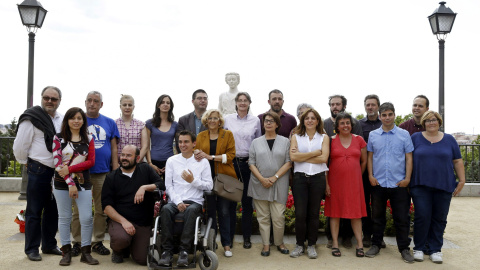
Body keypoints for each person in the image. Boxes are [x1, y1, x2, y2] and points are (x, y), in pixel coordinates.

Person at [13, 86, 64, 261]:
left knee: (53, 211)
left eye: (54, 99)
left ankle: (49, 245)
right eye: (46, 97)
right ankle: (32, 249)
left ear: (59, 101)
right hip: (38, 169)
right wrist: (26, 163)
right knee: (34, 211)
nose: (50, 101)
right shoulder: (31, 118)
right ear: (42, 98)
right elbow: (20, 147)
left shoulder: (61, 119)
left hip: (57, 171)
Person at [409, 111, 465, 264]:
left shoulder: (449, 139)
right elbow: (408, 160)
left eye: (434, 120)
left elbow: (457, 161)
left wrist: (462, 180)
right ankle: (419, 248)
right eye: (427, 120)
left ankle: (435, 249)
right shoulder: (415, 138)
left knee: (439, 218)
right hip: (420, 185)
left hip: (444, 184)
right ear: (423, 123)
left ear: (439, 122)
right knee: (422, 217)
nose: (431, 123)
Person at [71, 91, 120, 257]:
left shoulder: (109, 122)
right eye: (90, 101)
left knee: (101, 209)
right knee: (78, 210)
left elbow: (114, 147)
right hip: (80, 172)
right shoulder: (78, 121)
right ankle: (77, 243)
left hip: (103, 172)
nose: (92, 103)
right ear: (85, 102)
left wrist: (115, 170)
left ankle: (97, 241)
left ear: (101, 104)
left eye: (96, 101)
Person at [365, 102, 415, 263]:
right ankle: (376, 244)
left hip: (398, 183)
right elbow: (370, 156)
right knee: (377, 217)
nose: (387, 117)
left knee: (402, 218)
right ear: (380, 116)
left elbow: (409, 157)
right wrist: (371, 176)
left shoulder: (404, 134)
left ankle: (404, 248)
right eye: (384, 115)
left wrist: (407, 179)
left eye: (390, 114)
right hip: (378, 183)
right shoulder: (373, 135)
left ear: (394, 115)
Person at [158, 130, 213, 267]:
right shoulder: (172, 160)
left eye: (186, 141)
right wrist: (178, 202)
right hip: (176, 201)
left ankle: (184, 251)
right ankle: (167, 252)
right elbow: (168, 186)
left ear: (194, 143)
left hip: (195, 201)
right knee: (165, 210)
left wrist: (193, 180)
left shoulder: (203, 162)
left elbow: (209, 186)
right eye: (180, 142)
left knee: (191, 210)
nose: (182, 145)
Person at [52, 107, 98, 266]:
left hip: (84, 183)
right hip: (61, 183)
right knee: (64, 218)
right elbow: (58, 164)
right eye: (73, 118)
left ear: (83, 121)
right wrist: (71, 183)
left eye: (79, 118)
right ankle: (66, 252)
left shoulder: (89, 138)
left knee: (86, 218)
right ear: (67, 120)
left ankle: (86, 252)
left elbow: (91, 162)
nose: (76, 121)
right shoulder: (58, 138)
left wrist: (70, 169)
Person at [102, 145, 163, 265]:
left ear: (137, 158)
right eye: (123, 155)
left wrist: (144, 187)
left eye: (129, 155)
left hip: (142, 222)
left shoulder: (145, 169)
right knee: (121, 239)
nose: (124, 158)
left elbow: (161, 184)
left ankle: (132, 245)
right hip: (120, 222)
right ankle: (118, 250)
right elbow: (106, 207)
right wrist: (123, 221)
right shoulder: (111, 177)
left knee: (142, 259)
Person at [194, 109, 238, 257]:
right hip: (206, 179)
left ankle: (226, 244)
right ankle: (211, 243)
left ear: (220, 121)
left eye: (215, 118)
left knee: (225, 212)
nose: (212, 121)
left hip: (224, 178)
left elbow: (231, 156)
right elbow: (197, 154)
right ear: (206, 121)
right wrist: (197, 154)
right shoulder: (201, 136)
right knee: (211, 212)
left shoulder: (228, 134)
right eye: (210, 118)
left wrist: (210, 157)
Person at [248, 111, 291, 257]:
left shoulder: (285, 141)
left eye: (272, 121)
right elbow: (251, 163)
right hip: (259, 183)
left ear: (277, 124)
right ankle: (266, 245)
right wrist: (261, 179)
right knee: (263, 217)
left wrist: (275, 177)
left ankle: (279, 243)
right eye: (266, 120)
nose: (268, 123)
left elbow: (288, 162)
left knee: (278, 216)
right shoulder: (255, 142)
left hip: (279, 183)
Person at [325, 112, 367, 258]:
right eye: (342, 123)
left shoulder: (359, 140)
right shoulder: (330, 140)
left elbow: (364, 161)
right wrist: (326, 184)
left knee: (356, 214)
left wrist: (356, 175)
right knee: (335, 213)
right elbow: (325, 164)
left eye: (347, 123)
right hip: (334, 182)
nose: (345, 126)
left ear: (351, 124)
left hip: (355, 183)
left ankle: (359, 244)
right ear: (336, 126)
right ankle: (335, 243)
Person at [289, 108, 329, 259]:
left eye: (313, 118)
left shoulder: (324, 138)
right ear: (303, 121)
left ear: (318, 121)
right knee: (300, 214)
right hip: (300, 179)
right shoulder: (296, 137)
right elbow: (293, 157)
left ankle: (311, 245)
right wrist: (314, 153)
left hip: (317, 178)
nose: (310, 120)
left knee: (313, 214)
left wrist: (301, 156)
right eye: (307, 118)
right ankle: (299, 245)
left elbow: (323, 159)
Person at [224, 92, 262, 249]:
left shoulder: (255, 120)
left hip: (247, 164)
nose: (242, 103)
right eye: (240, 100)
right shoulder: (228, 119)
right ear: (236, 103)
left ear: (249, 103)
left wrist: (252, 160)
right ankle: (230, 237)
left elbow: (258, 142)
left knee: (247, 204)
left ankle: (247, 237)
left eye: (245, 100)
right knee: (232, 204)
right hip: (231, 164)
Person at [358, 94, 383, 248]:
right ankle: (367, 235)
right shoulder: (358, 125)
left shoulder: (385, 123)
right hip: (364, 170)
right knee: (365, 205)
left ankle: (378, 237)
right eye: (368, 105)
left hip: (381, 170)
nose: (370, 107)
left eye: (373, 105)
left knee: (379, 206)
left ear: (378, 106)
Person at [146, 95, 178, 178]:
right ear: (158, 105)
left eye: (168, 103)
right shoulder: (150, 123)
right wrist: (150, 163)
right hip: (153, 161)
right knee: (153, 189)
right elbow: (146, 146)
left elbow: (178, 146)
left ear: (171, 106)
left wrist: (173, 163)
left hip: (170, 162)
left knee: (169, 189)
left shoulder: (175, 125)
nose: (165, 104)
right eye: (163, 102)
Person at [115, 94, 148, 162]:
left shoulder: (141, 125)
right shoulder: (114, 124)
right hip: (119, 164)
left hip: (137, 164)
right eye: (124, 105)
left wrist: (135, 162)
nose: (127, 107)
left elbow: (145, 146)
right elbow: (112, 146)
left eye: (130, 105)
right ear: (120, 106)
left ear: (133, 107)